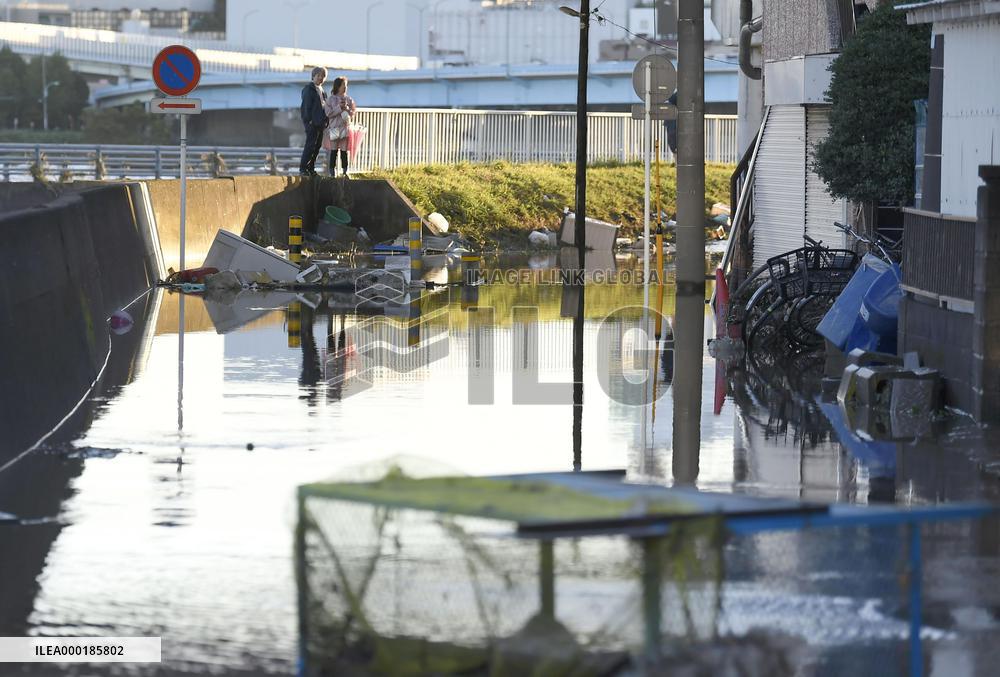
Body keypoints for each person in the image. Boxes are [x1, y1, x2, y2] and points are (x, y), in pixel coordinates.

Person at [323, 76, 356, 178]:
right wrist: (339, 108)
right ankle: (332, 172)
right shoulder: (331, 99)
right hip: (334, 127)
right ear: (337, 86)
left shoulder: (349, 99)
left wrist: (347, 109)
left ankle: (345, 171)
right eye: (343, 85)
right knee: (333, 151)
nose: (345, 88)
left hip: (345, 127)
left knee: (344, 151)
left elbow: (353, 113)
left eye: (346, 86)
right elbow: (328, 113)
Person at [299, 66, 328, 176]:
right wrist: (309, 120)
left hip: (320, 123)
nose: (320, 78)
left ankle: (311, 168)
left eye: (323, 76)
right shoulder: (308, 89)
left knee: (317, 147)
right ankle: (303, 169)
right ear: (313, 76)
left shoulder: (322, 90)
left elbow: (324, 107)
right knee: (310, 145)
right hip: (312, 123)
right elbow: (306, 106)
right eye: (318, 75)